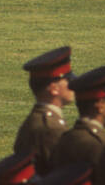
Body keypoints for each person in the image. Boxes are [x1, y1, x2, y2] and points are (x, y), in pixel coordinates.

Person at [14, 47, 74, 175]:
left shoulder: (37, 119)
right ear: (54, 89)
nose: (73, 84)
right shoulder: (51, 128)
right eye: (68, 80)